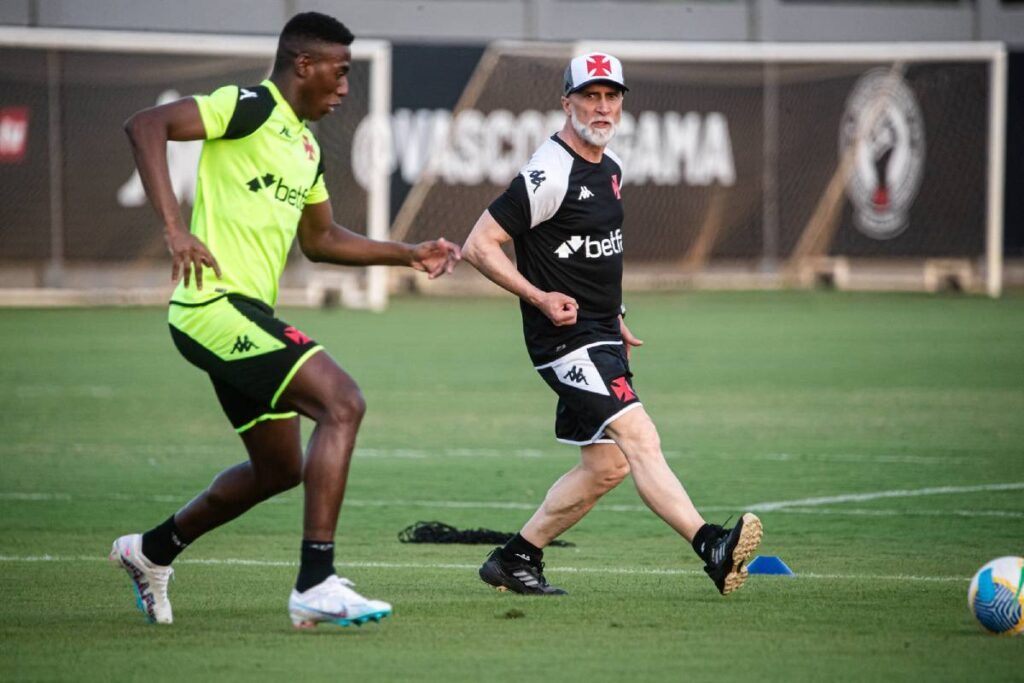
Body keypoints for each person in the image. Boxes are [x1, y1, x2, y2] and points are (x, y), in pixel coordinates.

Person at [110, 12, 461, 628]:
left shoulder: (306, 147)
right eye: (341, 71)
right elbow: (146, 125)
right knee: (343, 402)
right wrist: (174, 229)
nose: (346, 87)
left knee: (279, 469)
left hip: (244, 315)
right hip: (211, 306)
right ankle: (315, 581)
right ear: (305, 64)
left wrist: (406, 254)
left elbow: (322, 240)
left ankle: (152, 550)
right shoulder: (247, 106)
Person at [461, 53, 762, 596]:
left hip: (601, 336)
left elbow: (602, 255)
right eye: (590, 96)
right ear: (566, 102)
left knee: (606, 467)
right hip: (565, 343)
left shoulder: (612, 167)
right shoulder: (548, 172)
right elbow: (478, 246)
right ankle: (712, 546)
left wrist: (617, 314)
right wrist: (539, 296)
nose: (601, 107)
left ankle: (515, 559)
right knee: (640, 436)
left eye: (611, 96)